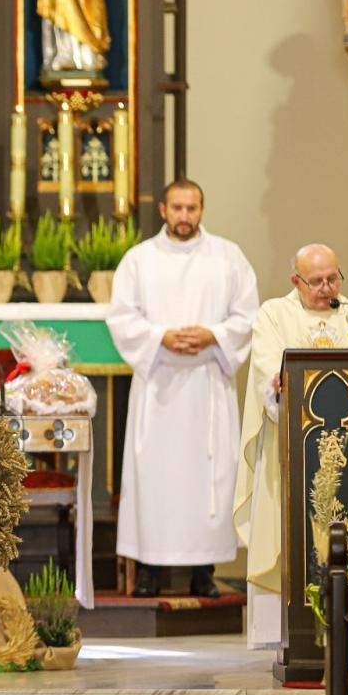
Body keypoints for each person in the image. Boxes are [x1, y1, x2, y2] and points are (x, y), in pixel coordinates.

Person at [107, 179, 259, 598]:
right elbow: (121, 317)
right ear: (162, 209)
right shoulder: (139, 260)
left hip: (207, 383)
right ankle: (150, 572)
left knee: (208, 478)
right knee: (155, 478)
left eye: (192, 208)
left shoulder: (228, 258)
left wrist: (212, 335)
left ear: (202, 210)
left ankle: (202, 573)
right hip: (159, 385)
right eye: (177, 208)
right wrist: (160, 337)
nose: (184, 217)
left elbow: (247, 316)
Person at [234, 244, 348, 648]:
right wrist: (277, 384)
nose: (326, 288)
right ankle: (290, 631)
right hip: (296, 453)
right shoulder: (274, 314)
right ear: (296, 282)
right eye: (316, 281)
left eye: (333, 278)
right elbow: (269, 375)